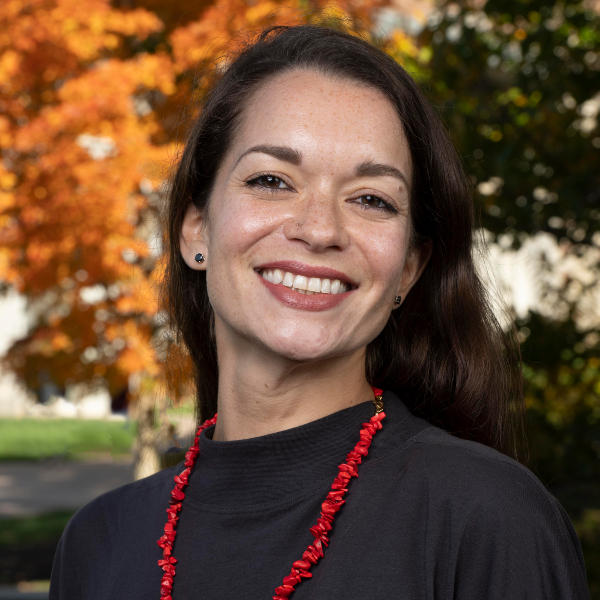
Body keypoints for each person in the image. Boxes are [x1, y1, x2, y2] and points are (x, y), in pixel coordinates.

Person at [50, 25, 591, 600]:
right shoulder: (99, 542)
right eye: (271, 180)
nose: (319, 229)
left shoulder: (487, 520)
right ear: (195, 228)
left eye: (370, 199)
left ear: (409, 267)